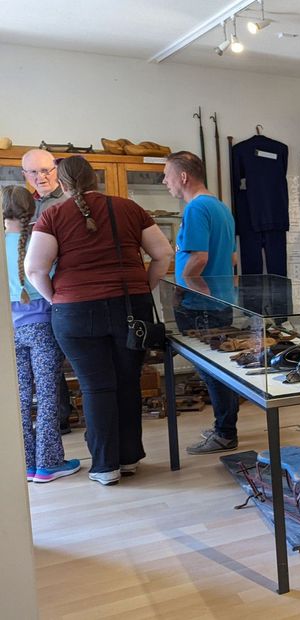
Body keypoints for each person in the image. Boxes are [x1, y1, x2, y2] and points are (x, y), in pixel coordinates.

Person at [24, 156, 173, 486]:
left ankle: (106, 467)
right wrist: (140, 287)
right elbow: (163, 254)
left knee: (96, 387)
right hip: (130, 307)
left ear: (62, 183)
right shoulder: (129, 208)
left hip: (75, 313)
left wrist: (56, 299)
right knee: (127, 381)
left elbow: (34, 268)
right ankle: (129, 458)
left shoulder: (53, 215)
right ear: (96, 179)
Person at [162, 151, 241, 455]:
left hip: (200, 306)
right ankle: (225, 427)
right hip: (218, 301)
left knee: (213, 372)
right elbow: (231, 257)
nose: (165, 181)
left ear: (183, 176)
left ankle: (224, 432)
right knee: (219, 369)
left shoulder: (197, 208)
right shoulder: (220, 207)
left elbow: (198, 258)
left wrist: (192, 289)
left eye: (167, 175)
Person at [3, 186, 80, 483]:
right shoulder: (40, 240)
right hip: (42, 327)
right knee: (48, 395)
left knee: (20, 396)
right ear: (33, 210)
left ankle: (26, 463)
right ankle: (48, 463)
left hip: (10, 330)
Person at [21, 148, 74, 434]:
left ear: (56, 169)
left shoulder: (66, 201)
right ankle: (60, 417)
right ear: (24, 175)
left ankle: (60, 416)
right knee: (49, 359)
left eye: (46, 170)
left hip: (64, 289)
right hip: (38, 292)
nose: (41, 177)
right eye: (34, 172)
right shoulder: (28, 204)